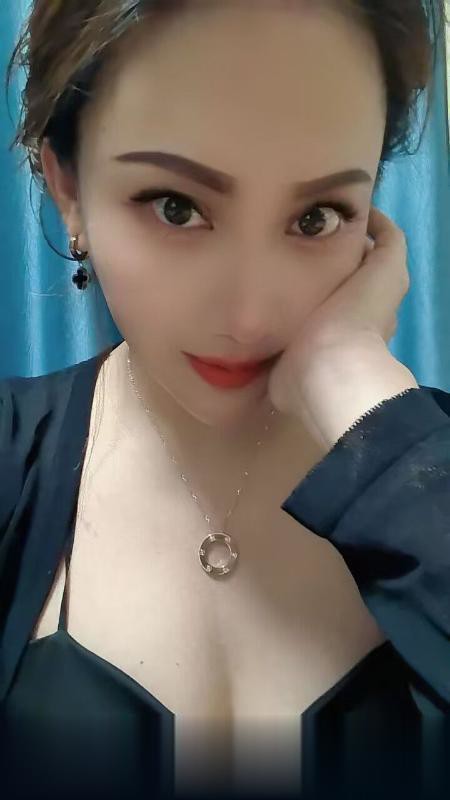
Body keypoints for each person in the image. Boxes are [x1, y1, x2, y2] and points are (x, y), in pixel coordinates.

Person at [1, 1, 449, 799]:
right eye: (177, 207)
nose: (250, 317)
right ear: (68, 188)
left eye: (316, 217)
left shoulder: (431, 462)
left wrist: (354, 382)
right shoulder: (11, 458)